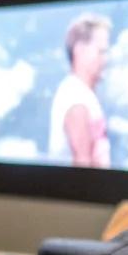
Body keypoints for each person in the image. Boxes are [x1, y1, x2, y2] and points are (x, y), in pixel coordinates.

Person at [49, 14, 112, 168]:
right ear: (80, 50)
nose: (106, 59)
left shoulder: (83, 94)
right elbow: (83, 172)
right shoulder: (75, 97)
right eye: (101, 51)